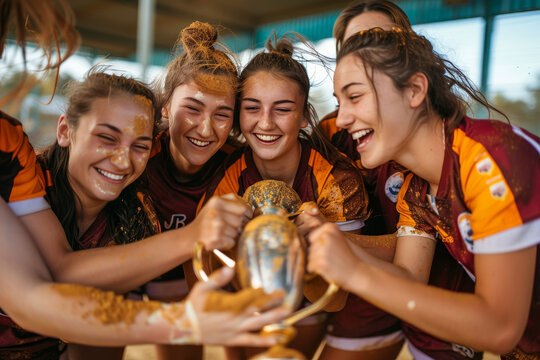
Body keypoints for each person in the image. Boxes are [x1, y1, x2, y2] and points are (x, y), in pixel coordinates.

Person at [0, 1, 289, 358]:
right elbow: (58, 274)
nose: (122, 160)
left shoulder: (132, 205)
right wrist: (192, 247)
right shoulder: (23, 169)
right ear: (65, 130)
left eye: (138, 145)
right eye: (106, 138)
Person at [307, 27, 539, 359]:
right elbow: (408, 279)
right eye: (338, 102)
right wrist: (325, 240)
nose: (341, 119)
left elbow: (499, 326)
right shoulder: (416, 188)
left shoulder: (491, 159)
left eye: (355, 96)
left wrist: (356, 274)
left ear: (415, 90)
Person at [316, 2, 479, 359]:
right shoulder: (334, 132)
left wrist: (338, 246)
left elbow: (501, 325)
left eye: (382, 42)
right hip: (376, 291)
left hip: (443, 298)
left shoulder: (472, 158)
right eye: (354, 47)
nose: (367, 53)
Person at [200, 33, 369, 360]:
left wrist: (307, 244)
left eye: (282, 109)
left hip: (313, 307)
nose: (265, 123)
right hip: (244, 301)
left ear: (304, 116)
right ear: (238, 114)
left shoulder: (336, 178)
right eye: (252, 108)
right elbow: (205, 268)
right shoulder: (227, 175)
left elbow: (335, 299)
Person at [143, 21, 242, 360]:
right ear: (165, 107)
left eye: (222, 114)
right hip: (139, 279)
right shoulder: (138, 159)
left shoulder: (238, 166)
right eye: (193, 108)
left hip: (212, 284)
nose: (205, 129)